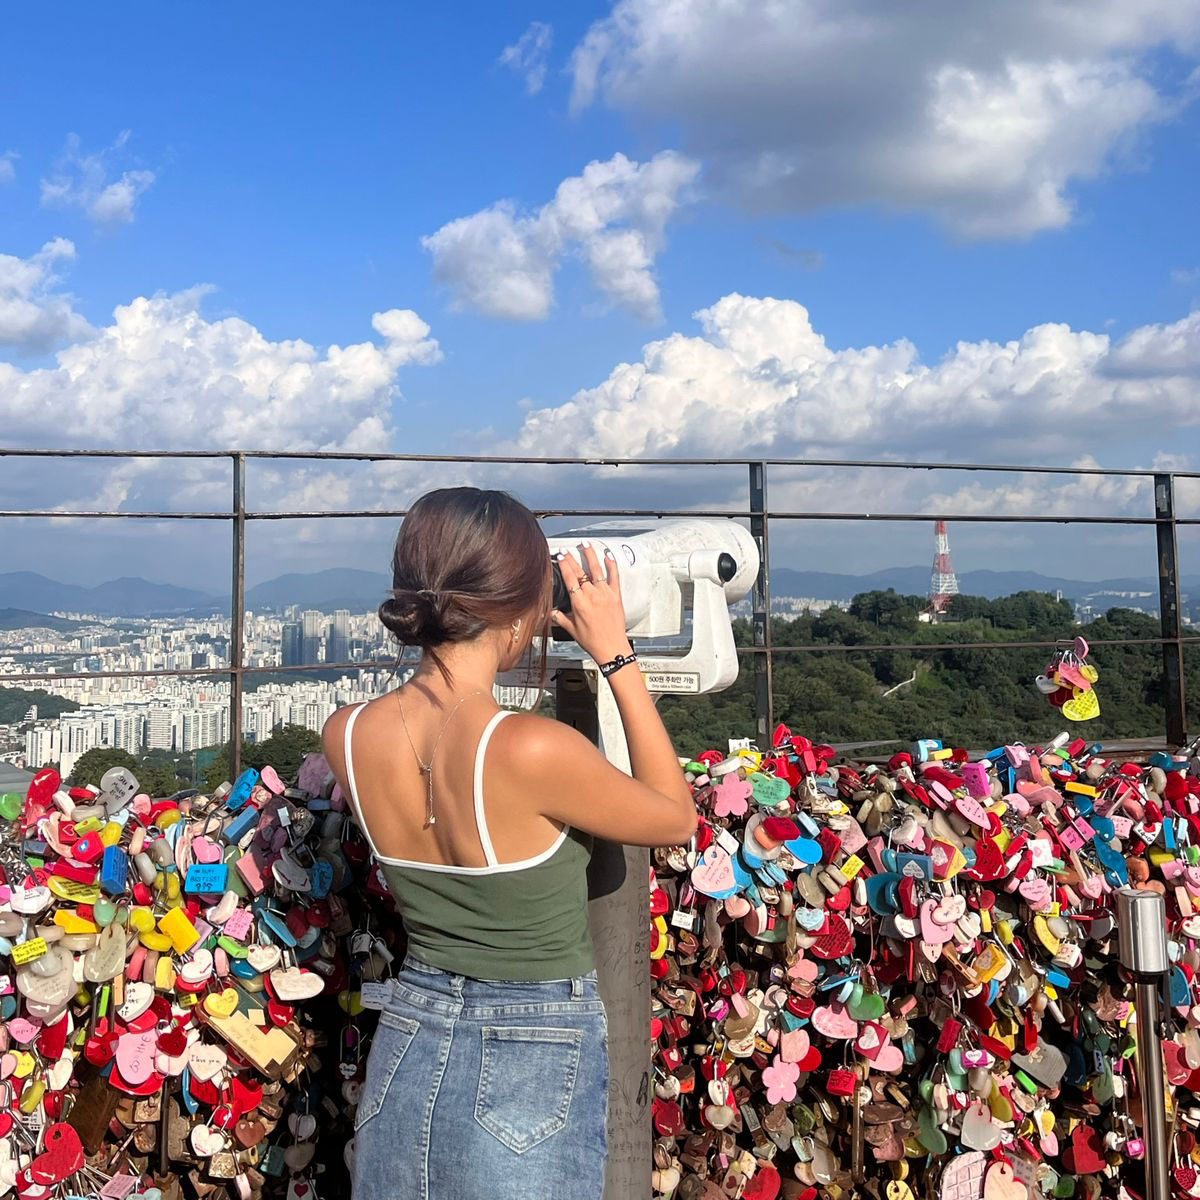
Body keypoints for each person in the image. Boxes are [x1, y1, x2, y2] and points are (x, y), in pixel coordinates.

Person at [321, 486, 697, 1200]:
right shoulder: (529, 749)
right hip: (534, 1044)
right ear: (523, 610)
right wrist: (617, 656)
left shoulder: (346, 733)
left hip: (409, 1034)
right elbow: (675, 816)